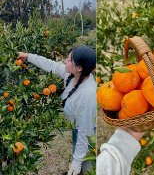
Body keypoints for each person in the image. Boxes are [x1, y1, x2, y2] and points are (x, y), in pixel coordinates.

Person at [19, 45, 96, 175]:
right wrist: (29, 56)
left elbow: (85, 131)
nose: (65, 61)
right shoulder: (73, 76)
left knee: (88, 168)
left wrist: (77, 162)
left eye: (69, 60)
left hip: (89, 134)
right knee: (78, 158)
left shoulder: (88, 94)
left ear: (79, 68)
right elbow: (51, 65)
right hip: (77, 128)